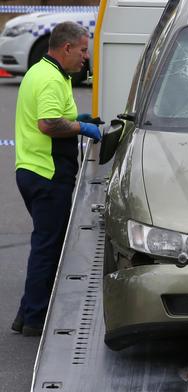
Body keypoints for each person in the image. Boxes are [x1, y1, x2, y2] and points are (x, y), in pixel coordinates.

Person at [11, 21, 101, 337]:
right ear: (66, 48)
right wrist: (83, 128)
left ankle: (26, 313)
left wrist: (78, 119)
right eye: (82, 49)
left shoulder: (41, 71)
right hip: (47, 174)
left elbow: (55, 115)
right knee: (48, 247)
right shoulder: (51, 78)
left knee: (47, 244)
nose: (85, 57)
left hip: (31, 170)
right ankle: (35, 319)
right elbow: (48, 123)